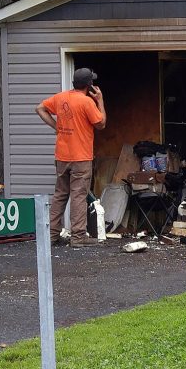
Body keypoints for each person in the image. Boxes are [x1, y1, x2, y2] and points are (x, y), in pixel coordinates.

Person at [35, 68, 107, 247]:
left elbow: (40, 108)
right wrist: (100, 101)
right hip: (81, 157)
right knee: (78, 196)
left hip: (62, 156)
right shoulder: (87, 102)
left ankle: (50, 236)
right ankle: (78, 237)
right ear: (89, 85)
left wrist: (56, 127)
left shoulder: (61, 97)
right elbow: (101, 124)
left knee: (60, 195)